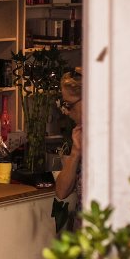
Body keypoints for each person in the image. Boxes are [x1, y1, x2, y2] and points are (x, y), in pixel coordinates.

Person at [55, 70, 83, 224]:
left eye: (69, 105)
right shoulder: (79, 135)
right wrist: (75, 153)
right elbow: (61, 191)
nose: (66, 112)